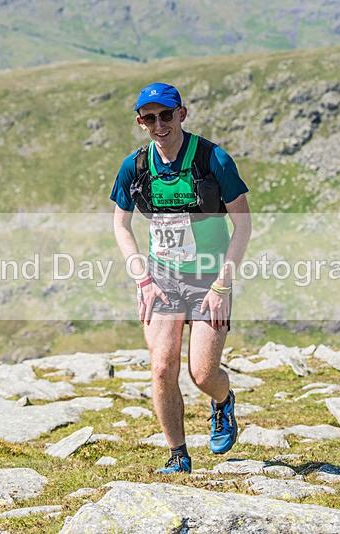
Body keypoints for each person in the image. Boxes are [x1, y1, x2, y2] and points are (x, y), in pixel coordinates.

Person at [111, 82, 252, 473]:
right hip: (161, 279)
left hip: (209, 279)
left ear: (182, 115)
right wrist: (143, 278)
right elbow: (121, 227)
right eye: (150, 118)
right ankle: (178, 456)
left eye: (167, 115)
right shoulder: (134, 166)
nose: (160, 124)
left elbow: (243, 226)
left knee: (203, 373)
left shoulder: (213, 159)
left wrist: (223, 285)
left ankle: (222, 403)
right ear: (141, 122)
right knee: (162, 366)